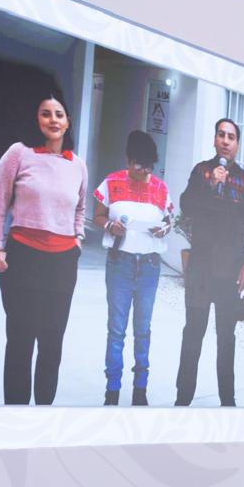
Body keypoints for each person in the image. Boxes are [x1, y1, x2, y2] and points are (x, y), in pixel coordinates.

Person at [0, 90, 88, 405]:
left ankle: (45, 412)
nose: (53, 120)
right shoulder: (19, 153)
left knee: (52, 342)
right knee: (21, 340)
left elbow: (80, 208)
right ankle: (16, 414)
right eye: (45, 113)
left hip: (62, 263)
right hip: (23, 259)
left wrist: (78, 239)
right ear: (36, 119)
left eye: (59, 114)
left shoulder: (77, 165)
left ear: (67, 121)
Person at [174, 118, 244, 407]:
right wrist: (211, 183)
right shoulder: (202, 172)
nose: (226, 140)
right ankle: (183, 398)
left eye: (231, 137)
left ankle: (227, 401)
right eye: (221, 135)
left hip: (229, 271)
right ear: (214, 140)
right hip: (200, 268)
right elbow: (186, 205)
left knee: (226, 338)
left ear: (237, 144)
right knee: (193, 333)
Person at [93, 131, 172, 406]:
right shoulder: (111, 183)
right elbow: (98, 215)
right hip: (120, 263)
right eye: (139, 166)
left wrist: (164, 229)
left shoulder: (161, 188)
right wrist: (109, 226)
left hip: (149, 266)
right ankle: (112, 390)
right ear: (128, 160)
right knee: (116, 330)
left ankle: (140, 389)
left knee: (143, 329)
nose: (145, 172)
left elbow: (169, 221)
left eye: (149, 167)